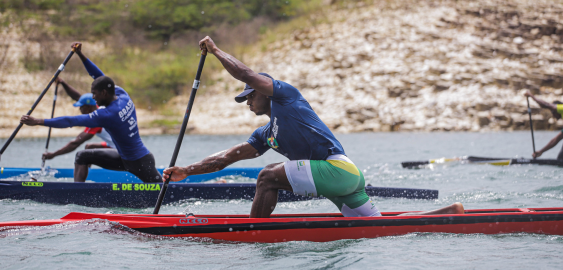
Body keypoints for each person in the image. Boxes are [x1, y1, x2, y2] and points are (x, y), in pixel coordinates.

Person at [162, 37, 465, 218]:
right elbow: (227, 157)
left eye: (249, 96)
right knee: (376, 226)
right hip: (345, 180)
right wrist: (186, 170)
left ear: (264, 92)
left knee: (267, 176)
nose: (247, 102)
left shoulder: (285, 96)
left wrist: (216, 51)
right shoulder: (266, 135)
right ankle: (449, 214)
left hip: (340, 171)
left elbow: (247, 73)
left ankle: (253, 233)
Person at [20, 42, 161, 183]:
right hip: (124, 158)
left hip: (140, 162)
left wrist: (38, 121)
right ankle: (78, 193)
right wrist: (80, 54)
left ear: (104, 93)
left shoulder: (107, 115)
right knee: (83, 156)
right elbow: (98, 76)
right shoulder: (121, 93)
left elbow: (71, 121)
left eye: (94, 94)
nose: (93, 98)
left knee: (163, 193)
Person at [41, 77, 115, 162]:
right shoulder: (97, 107)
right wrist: (63, 83)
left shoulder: (97, 122)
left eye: (81, 107)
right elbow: (77, 96)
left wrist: (53, 154)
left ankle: (87, 173)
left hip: (118, 149)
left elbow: (75, 143)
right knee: (89, 147)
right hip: (111, 143)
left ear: (88, 108)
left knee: (84, 155)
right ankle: (88, 172)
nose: (80, 109)